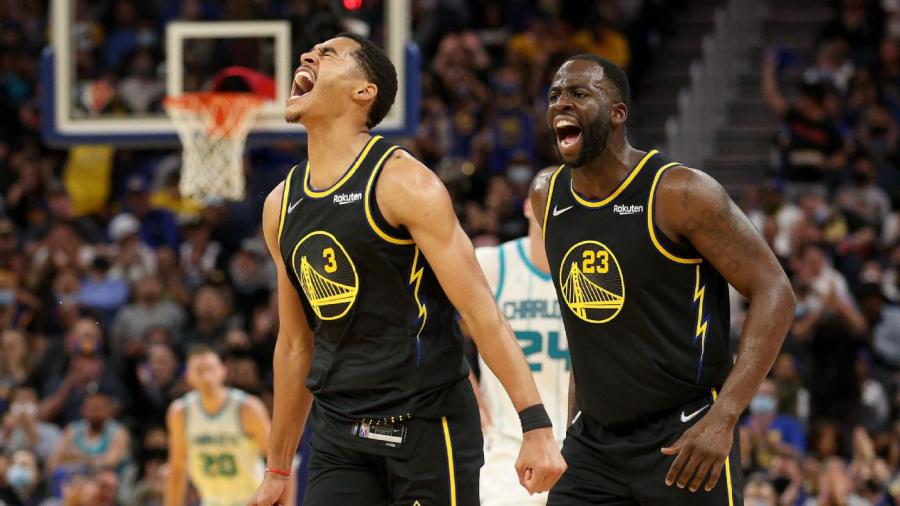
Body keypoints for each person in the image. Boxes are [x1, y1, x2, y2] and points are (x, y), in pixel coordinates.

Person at [248, 33, 565, 506]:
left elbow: (481, 312)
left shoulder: (404, 182)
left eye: (328, 53)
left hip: (425, 426)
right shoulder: (280, 204)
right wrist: (277, 468)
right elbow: (295, 344)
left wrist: (535, 425)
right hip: (339, 434)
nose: (307, 55)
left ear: (364, 91)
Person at [531, 54, 795, 504]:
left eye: (579, 93)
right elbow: (590, 326)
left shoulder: (679, 193)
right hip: (592, 445)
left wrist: (724, 416)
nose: (561, 103)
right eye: (554, 95)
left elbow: (775, 291)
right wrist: (574, 421)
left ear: (618, 113)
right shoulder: (547, 195)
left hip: (684, 438)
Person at [473, 195, 569, 506]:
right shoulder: (492, 263)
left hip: (580, 447)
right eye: (545, 197)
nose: (555, 206)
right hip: (509, 447)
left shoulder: (596, 267)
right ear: (527, 205)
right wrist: (469, 390)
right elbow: (432, 322)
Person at [164, 346, 272, 506]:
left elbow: (280, 463)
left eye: (210, 369)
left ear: (223, 371)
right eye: (199, 371)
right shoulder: (180, 413)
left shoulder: (248, 408)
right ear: (188, 376)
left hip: (252, 500)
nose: (206, 377)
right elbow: (177, 469)